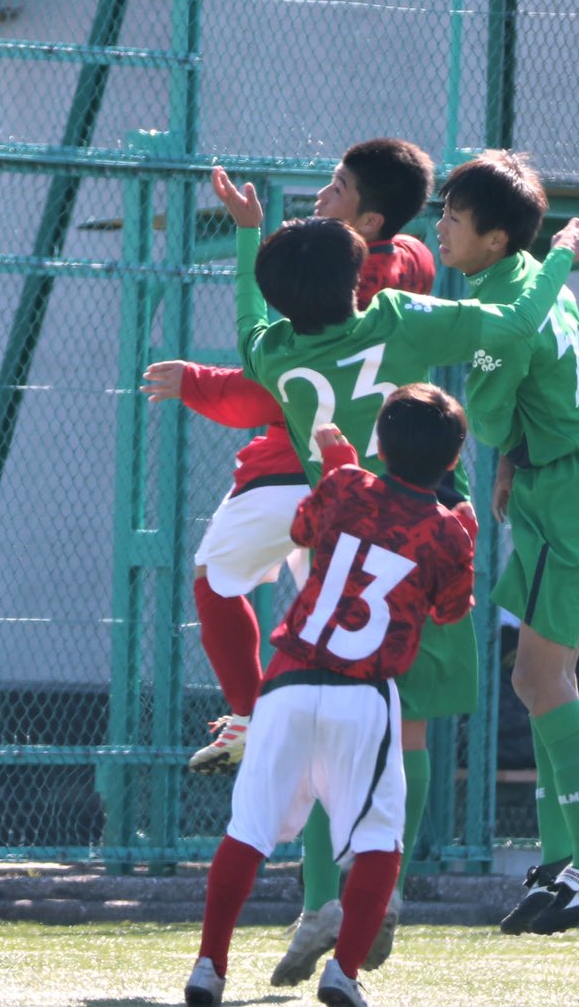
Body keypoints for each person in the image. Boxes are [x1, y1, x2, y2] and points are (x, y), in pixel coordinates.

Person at [142, 141, 445, 984]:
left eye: (338, 187)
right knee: (369, 712)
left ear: (368, 219)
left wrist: (201, 375)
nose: (318, 195)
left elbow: (266, 371)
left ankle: (252, 721)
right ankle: (343, 899)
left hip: (303, 481)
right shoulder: (400, 277)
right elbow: (420, 265)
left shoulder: (345, 284)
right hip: (395, 512)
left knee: (230, 596)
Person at [185, 388, 477, 1007]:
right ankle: (343, 974)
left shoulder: (346, 486)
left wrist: (339, 463)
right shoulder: (449, 531)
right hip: (362, 692)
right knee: (378, 842)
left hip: (288, 682)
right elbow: (450, 611)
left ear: (383, 444)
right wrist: (461, 536)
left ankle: (209, 966)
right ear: (451, 463)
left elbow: (302, 526)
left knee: (249, 830)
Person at [434, 150, 579, 932]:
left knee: (542, 680)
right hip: (573, 475)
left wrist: (504, 449)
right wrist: (517, 459)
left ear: (493, 239)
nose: (442, 225)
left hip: (567, 493)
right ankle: (562, 858)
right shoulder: (535, 281)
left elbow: (484, 418)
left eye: (454, 215)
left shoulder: (498, 311)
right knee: (541, 678)